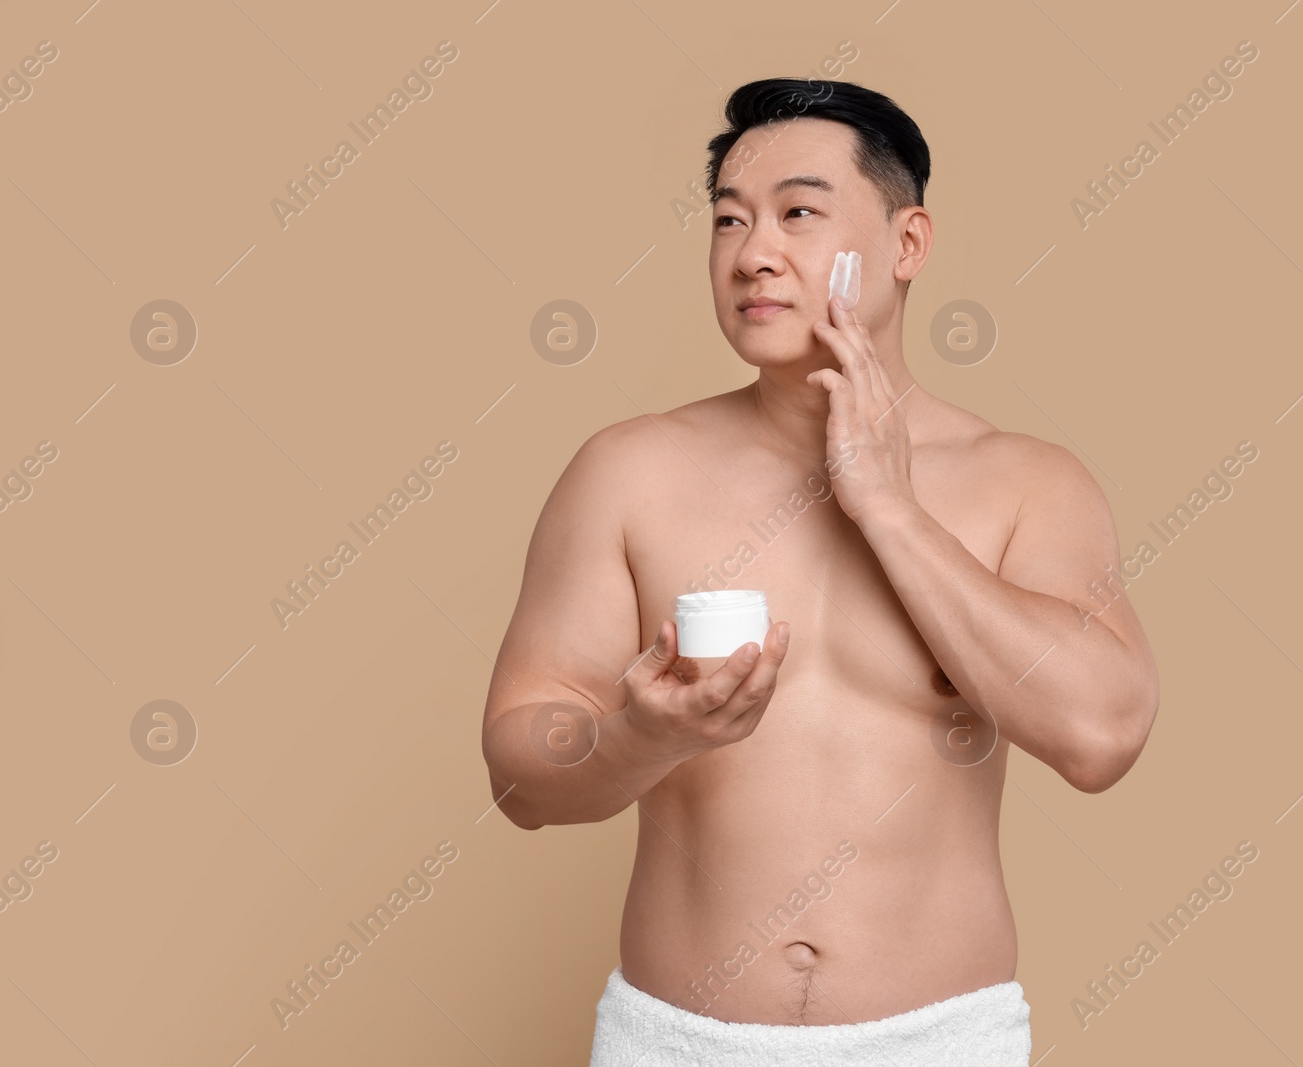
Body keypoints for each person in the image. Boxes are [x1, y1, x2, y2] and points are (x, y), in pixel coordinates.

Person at [481, 77, 1160, 1066]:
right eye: (727, 220)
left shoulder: (1025, 483)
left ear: (907, 244)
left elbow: (1101, 734)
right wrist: (635, 736)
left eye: (798, 212)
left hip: (939, 1041)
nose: (753, 251)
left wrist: (890, 507)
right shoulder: (628, 473)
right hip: (676, 1040)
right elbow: (518, 779)